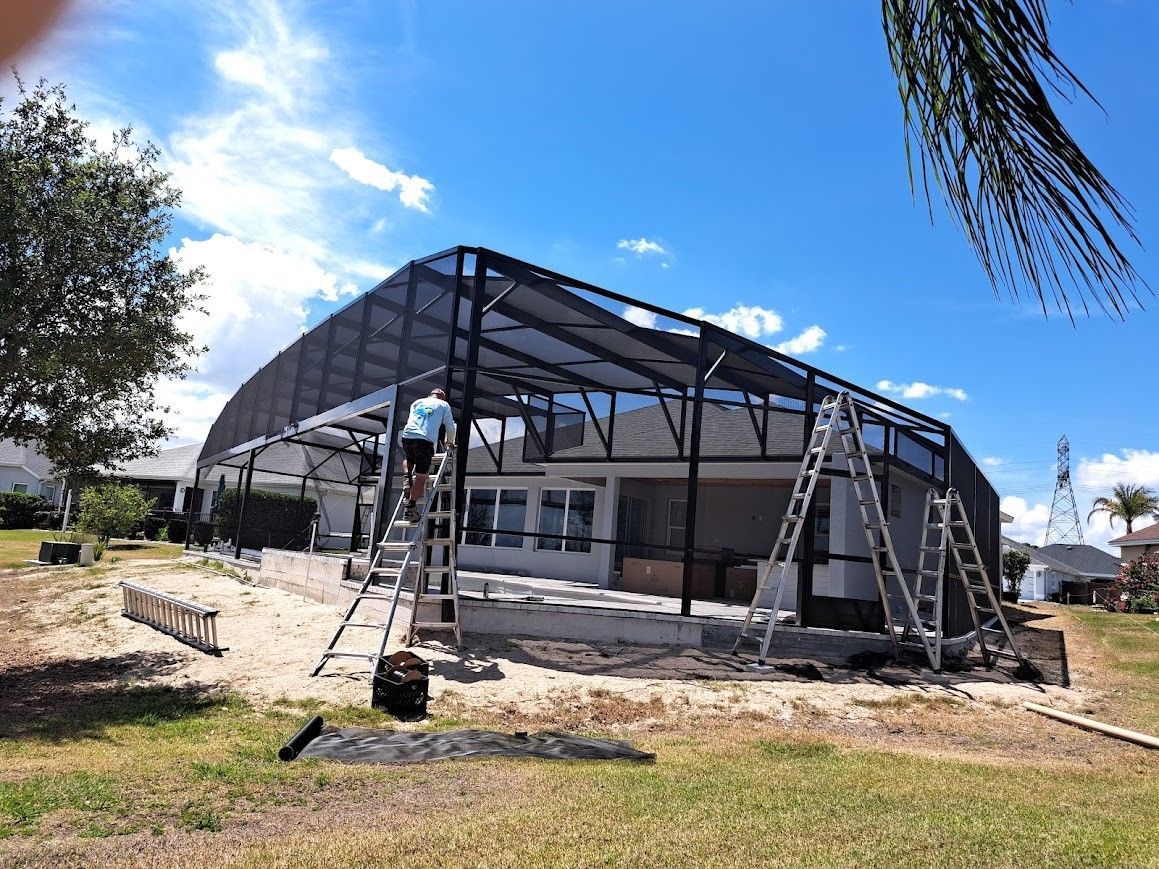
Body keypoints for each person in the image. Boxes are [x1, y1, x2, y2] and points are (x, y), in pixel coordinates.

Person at [398, 387, 457, 522]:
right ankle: (410, 508)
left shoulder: (417, 402)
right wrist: (450, 442)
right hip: (425, 441)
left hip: (407, 436)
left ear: (430, 395)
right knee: (421, 476)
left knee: (409, 459)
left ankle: (407, 477)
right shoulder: (443, 405)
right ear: (442, 397)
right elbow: (449, 426)